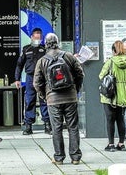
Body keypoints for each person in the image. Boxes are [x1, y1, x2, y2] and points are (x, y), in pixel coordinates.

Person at [33, 33, 84, 165]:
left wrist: (45, 96)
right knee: (73, 127)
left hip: (53, 99)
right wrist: (75, 89)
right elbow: (80, 74)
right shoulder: (69, 56)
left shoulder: (42, 61)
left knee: (56, 128)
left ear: (46, 44)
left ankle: (59, 157)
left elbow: (37, 83)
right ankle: (75, 157)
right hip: (70, 97)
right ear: (58, 42)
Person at [15, 28, 51, 135]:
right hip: (30, 77)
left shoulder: (45, 49)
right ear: (31, 37)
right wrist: (17, 79)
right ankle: (28, 126)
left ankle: (47, 125)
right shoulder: (26, 49)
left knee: (44, 100)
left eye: (39, 37)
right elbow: (19, 64)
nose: (38, 39)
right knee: (29, 101)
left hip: (42, 77)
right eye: (36, 37)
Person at [99, 40, 126, 152]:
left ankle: (111, 144)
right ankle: (121, 143)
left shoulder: (111, 62)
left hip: (111, 94)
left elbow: (101, 76)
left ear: (113, 51)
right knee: (120, 119)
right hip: (123, 94)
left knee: (110, 119)